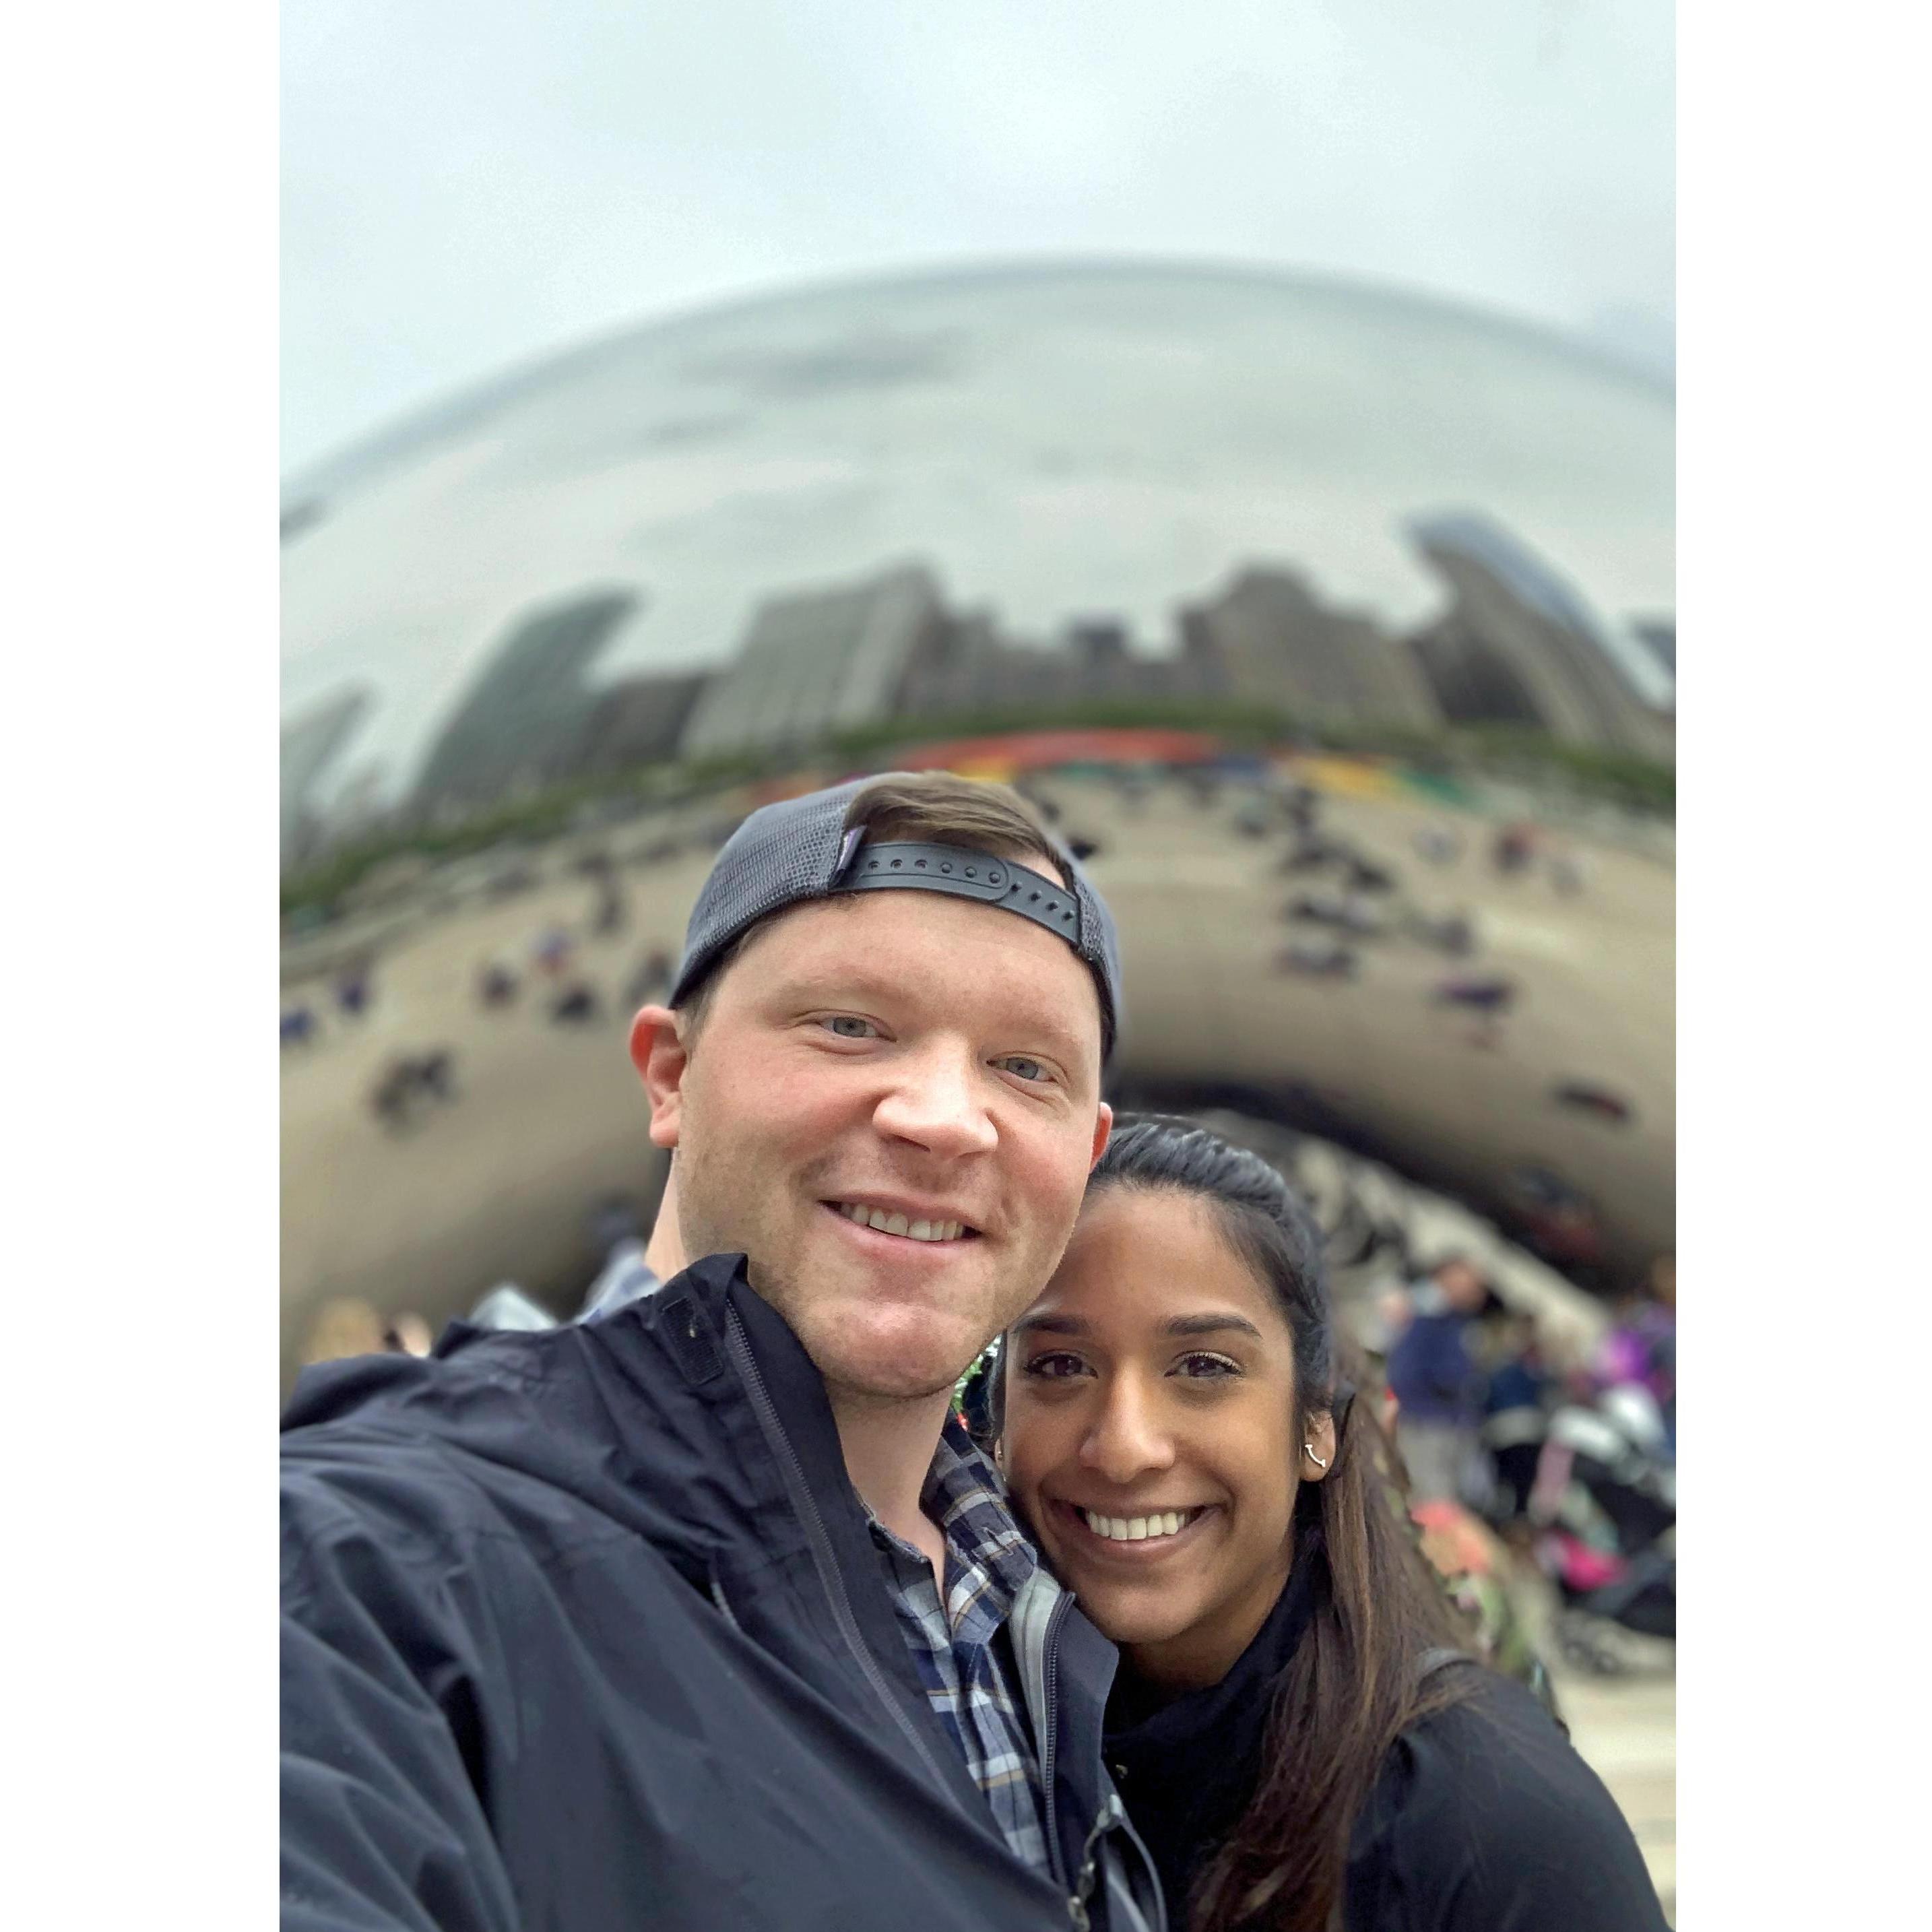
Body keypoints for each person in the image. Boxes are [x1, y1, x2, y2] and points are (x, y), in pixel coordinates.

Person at [281, 773, 1164, 1932]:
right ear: (671, 1074)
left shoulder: (1039, 1602)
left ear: (1084, 1153)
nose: (946, 1115)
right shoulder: (370, 1562)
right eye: (850, 1025)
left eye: (1025, 1067)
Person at [996, 1118, 1666, 1932]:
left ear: (1316, 1426)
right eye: (1060, 1366)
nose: (1125, 1447)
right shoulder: (982, 1744)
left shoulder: (1489, 1815)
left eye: (1203, 1367)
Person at [1382, 1257, 1490, 1503]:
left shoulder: (1456, 1322)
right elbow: (1405, 1373)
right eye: (1471, 1284)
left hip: (1443, 1424)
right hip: (1426, 1423)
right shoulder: (1427, 1316)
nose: (1478, 1293)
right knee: (1429, 1499)